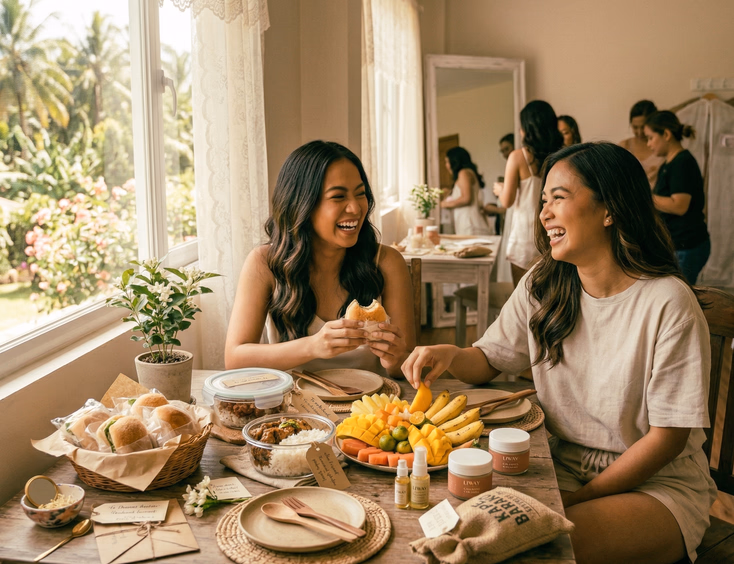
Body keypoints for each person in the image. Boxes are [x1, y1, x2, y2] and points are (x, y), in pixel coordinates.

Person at [403, 142, 716, 564]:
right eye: (544, 199)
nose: (543, 213)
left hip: (656, 486)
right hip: (560, 467)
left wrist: (576, 498)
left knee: (532, 550)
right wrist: (450, 354)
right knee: (452, 525)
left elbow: (667, 439)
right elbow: (490, 360)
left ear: (610, 210)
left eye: (559, 198)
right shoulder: (544, 284)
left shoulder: (667, 303)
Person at [224, 140, 415, 377]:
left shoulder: (387, 262)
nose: (356, 208)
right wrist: (314, 346)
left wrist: (395, 357)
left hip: (369, 409)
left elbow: (403, 366)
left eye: (360, 194)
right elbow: (234, 358)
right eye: (338, 197)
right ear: (302, 204)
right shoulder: (264, 263)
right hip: (291, 410)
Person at [494, 100, 564, 286]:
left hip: (525, 235)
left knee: (524, 298)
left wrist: (500, 190)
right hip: (554, 230)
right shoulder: (563, 155)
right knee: (554, 294)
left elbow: (506, 201)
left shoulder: (518, 157)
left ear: (527, 128)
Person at [645, 111, 711, 284]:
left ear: (666, 134)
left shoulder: (682, 163)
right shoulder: (670, 163)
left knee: (682, 296)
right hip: (678, 245)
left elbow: (679, 205)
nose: (648, 144)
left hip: (687, 246)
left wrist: (644, 197)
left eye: (651, 137)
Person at [441, 146, 492, 236]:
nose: (446, 165)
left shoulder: (464, 173)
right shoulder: (468, 173)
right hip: (470, 224)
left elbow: (466, 199)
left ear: (454, 161)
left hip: (471, 224)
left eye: (447, 162)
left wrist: (444, 204)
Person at [619, 99, 664, 188]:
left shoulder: (663, 147)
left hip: (660, 200)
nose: (639, 132)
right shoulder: (624, 146)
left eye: (643, 127)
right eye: (635, 127)